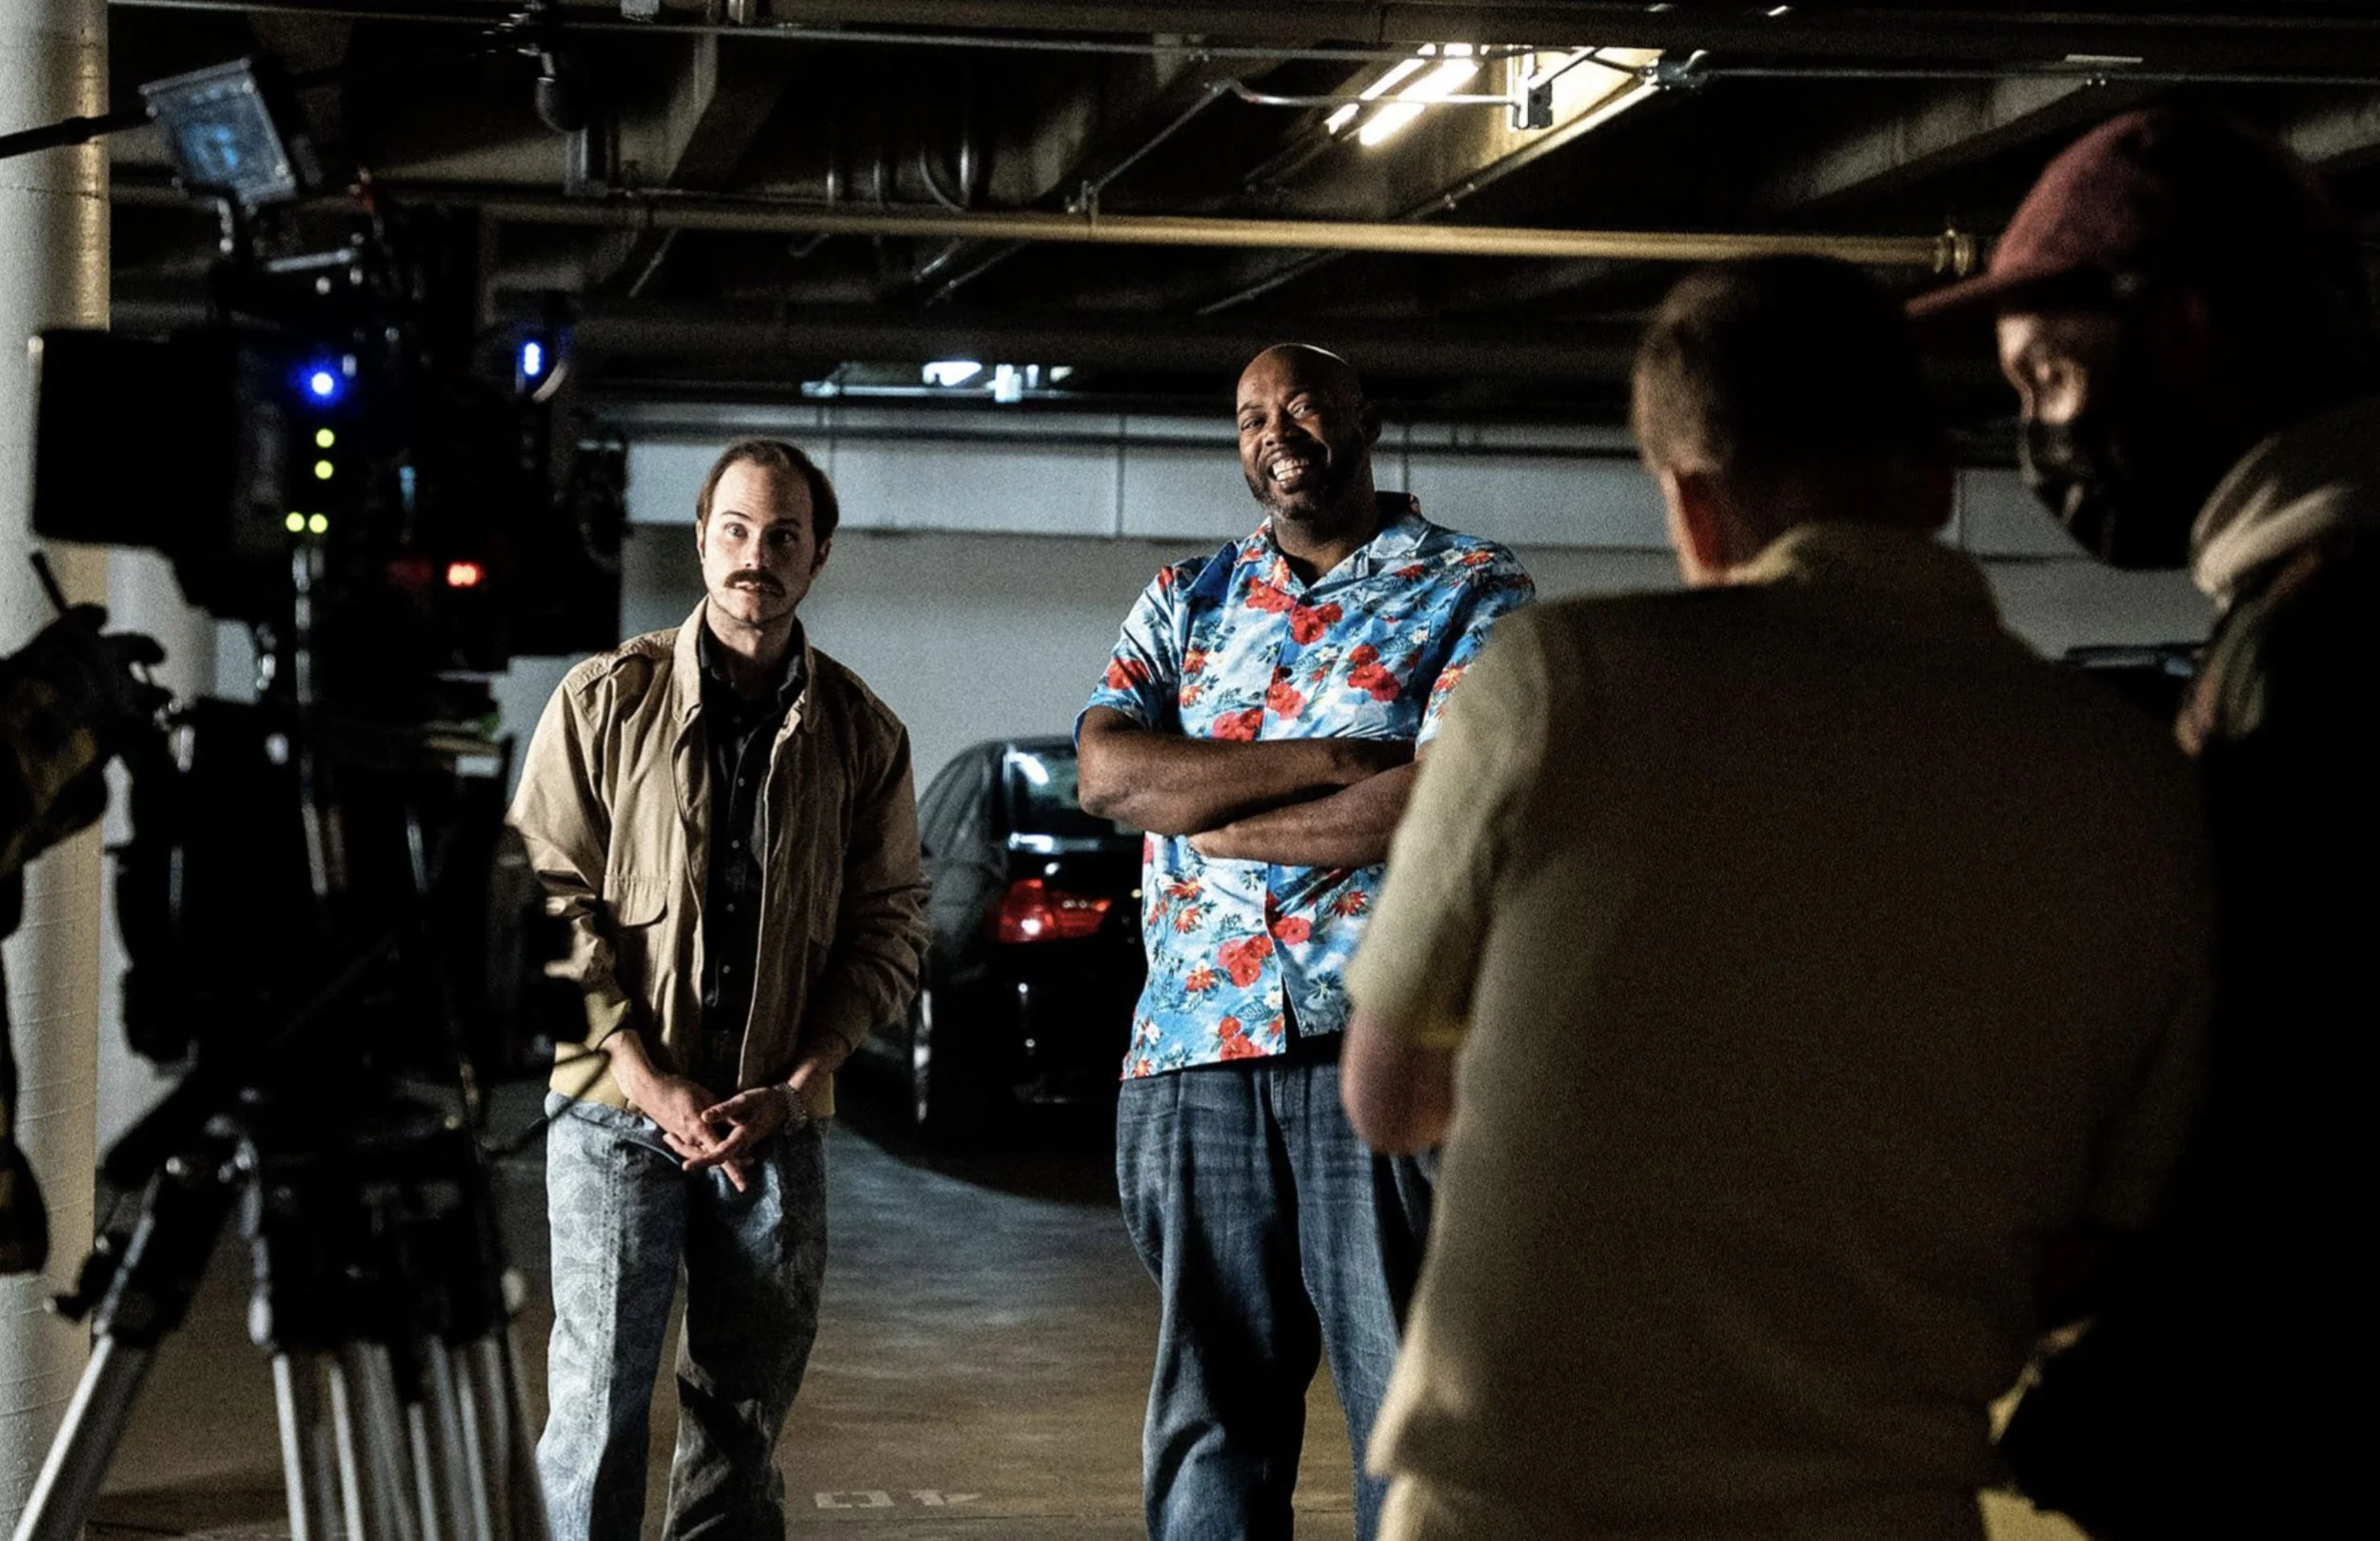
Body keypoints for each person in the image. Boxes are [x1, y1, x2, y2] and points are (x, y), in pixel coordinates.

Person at [1339, 257, 2215, 1541]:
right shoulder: (2132, 776)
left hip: (1514, 1508)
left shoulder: (1562, 680)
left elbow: (1388, 1092)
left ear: (1695, 506)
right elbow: (2110, 1228)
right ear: (1940, 475)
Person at [1910, 108, 2380, 1536]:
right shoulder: (2302, 596)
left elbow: (2300, 1091)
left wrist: (2164, 1357)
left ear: (2183, 323)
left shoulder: (2322, 640)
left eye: (2049, 374)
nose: (2040, 435)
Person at [1076, 344, 1533, 1541]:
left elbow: (1436, 802)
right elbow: (1111, 771)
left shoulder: (1471, 587)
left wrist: (1212, 812)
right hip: (1191, 1054)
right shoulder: (1186, 595)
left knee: (1405, 1412)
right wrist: (1333, 760)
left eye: (1302, 406)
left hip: (1374, 1050)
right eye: (1248, 417)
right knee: (1209, 1416)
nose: (1275, 432)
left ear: (1364, 417)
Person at [511, 438, 928, 1541]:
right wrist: (650, 1083)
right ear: (700, 539)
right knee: (598, 1397)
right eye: (736, 530)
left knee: (743, 1410)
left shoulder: (861, 733)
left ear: (819, 554)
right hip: (614, 1111)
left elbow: (889, 925)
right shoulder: (604, 701)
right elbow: (546, 900)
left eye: (783, 535)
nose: (757, 555)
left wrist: (797, 1082)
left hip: (773, 1121)